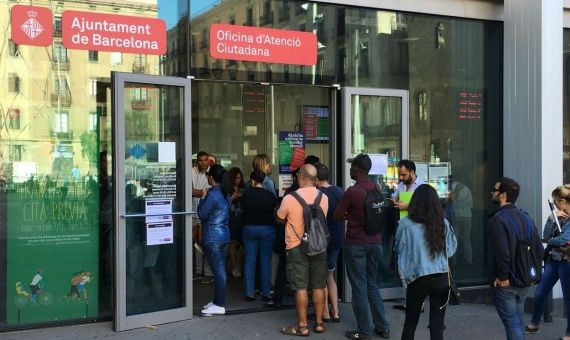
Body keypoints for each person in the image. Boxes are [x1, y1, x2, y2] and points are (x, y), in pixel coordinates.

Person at [334, 154, 390, 340]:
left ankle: (364, 331)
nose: (349, 170)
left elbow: (338, 214)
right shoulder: (376, 188)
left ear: (357, 169)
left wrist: (350, 215)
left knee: (359, 287)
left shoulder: (352, 191)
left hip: (356, 243)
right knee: (372, 283)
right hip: (375, 243)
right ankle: (383, 326)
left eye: (351, 167)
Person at [395, 184, 457, 340]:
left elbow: (398, 248)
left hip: (417, 278)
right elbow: (451, 250)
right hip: (441, 277)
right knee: (437, 325)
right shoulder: (443, 222)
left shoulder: (405, 224)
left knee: (410, 322)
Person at [488, 177, 544, 340]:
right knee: (518, 321)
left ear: (503, 195)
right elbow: (539, 249)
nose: (492, 192)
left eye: (495, 190)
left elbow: (502, 253)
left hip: (507, 281)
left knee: (513, 324)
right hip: (523, 278)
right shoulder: (526, 217)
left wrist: (503, 277)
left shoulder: (498, 219)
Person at [278, 164, 329, 336]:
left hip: (296, 246)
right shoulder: (323, 197)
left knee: (300, 286)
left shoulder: (290, 198)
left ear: (300, 176)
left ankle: (302, 326)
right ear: (315, 179)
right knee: (319, 285)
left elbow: (279, 218)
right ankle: (320, 323)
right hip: (319, 246)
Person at [526, 185, 570, 340]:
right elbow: (545, 235)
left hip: (567, 262)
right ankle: (534, 324)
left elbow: (563, 239)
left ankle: (569, 333)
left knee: (568, 298)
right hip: (554, 260)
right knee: (540, 292)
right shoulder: (558, 216)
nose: (555, 205)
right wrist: (552, 219)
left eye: (556, 202)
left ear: (564, 201)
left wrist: (551, 241)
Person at [391, 159, 425, 312]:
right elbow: (395, 196)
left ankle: (417, 303)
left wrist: (407, 206)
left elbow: (427, 208)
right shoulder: (401, 185)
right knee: (403, 265)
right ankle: (410, 301)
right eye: (400, 175)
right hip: (403, 227)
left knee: (412, 265)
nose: (402, 177)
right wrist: (393, 200)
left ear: (412, 172)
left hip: (417, 230)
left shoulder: (423, 187)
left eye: (404, 174)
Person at [198, 164, 232, 316]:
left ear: (211, 177)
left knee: (218, 271)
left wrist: (202, 198)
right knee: (220, 269)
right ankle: (216, 301)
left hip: (213, 236)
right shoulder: (225, 193)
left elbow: (202, 214)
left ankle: (219, 304)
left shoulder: (212, 195)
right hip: (223, 235)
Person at [241, 170, 279, 301]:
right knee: (266, 260)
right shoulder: (269, 196)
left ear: (252, 181)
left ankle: (249, 293)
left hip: (249, 229)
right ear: (263, 181)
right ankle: (266, 292)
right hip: (267, 229)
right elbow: (275, 210)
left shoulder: (245, 195)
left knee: (250, 260)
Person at [315, 163, 344, 323]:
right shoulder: (339, 191)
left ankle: (325, 312)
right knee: (330, 276)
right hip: (337, 238)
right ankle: (337, 311)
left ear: (316, 179)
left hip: (321, 240)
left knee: (321, 278)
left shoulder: (318, 194)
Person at [193, 151, 214, 283]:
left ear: (208, 161)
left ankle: (208, 273)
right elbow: (188, 191)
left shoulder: (212, 174)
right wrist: (204, 192)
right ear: (197, 161)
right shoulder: (191, 171)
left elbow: (213, 193)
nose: (203, 163)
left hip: (207, 214)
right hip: (192, 213)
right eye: (200, 160)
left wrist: (196, 192)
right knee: (195, 244)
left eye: (205, 160)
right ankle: (197, 271)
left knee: (205, 243)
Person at [448, 180, 473, 266]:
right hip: (467, 217)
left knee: (455, 240)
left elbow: (450, 200)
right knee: (467, 240)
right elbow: (471, 204)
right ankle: (469, 262)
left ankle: (453, 263)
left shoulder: (452, 188)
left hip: (456, 217)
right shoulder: (467, 189)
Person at [228, 167, 246, 279]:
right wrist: (232, 197)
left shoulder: (243, 188)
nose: (237, 180)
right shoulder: (227, 190)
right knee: (233, 243)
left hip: (242, 219)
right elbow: (224, 205)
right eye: (235, 178)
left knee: (245, 243)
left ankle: (237, 263)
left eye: (239, 178)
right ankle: (234, 266)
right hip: (231, 219)